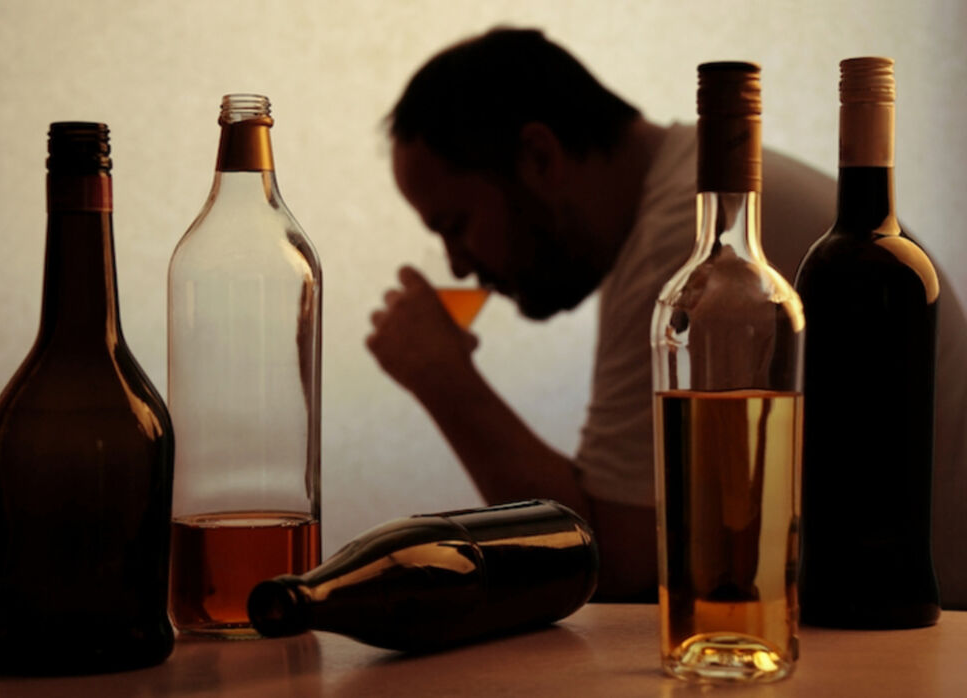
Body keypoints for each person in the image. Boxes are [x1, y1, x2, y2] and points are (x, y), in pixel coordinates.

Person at [366, 27, 967, 606]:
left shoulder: (683, 242)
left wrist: (444, 379)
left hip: (908, 626)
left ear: (539, 157)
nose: (457, 263)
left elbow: (613, 562)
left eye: (455, 225)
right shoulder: (662, 217)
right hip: (880, 613)